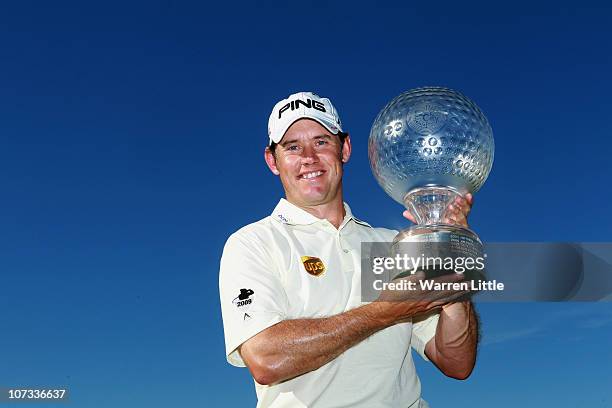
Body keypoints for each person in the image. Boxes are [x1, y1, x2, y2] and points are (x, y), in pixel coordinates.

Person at [219, 91, 479, 407]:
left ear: (345, 148)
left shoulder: (390, 245)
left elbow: (456, 363)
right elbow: (266, 359)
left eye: (321, 142)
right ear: (272, 161)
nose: (308, 158)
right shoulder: (254, 243)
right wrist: (387, 310)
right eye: (292, 147)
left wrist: (454, 283)